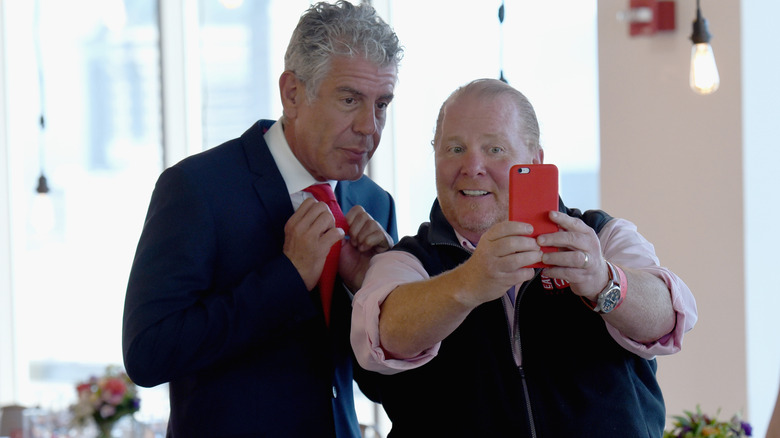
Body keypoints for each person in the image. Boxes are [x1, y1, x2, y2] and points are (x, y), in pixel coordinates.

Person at [351, 78, 698, 437]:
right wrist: (469, 283)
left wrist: (602, 280)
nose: (472, 166)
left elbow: (670, 316)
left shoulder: (600, 236)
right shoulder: (407, 260)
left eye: (495, 149)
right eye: (454, 149)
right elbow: (382, 333)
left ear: (536, 160)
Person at [122, 2, 403, 436]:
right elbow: (148, 354)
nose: (370, 127)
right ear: (292, 93)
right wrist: (288, 277)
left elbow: (381, 384)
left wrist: (378, 293)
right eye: (350, 100)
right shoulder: (197, 188)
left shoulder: (374, 203)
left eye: (382, 104)